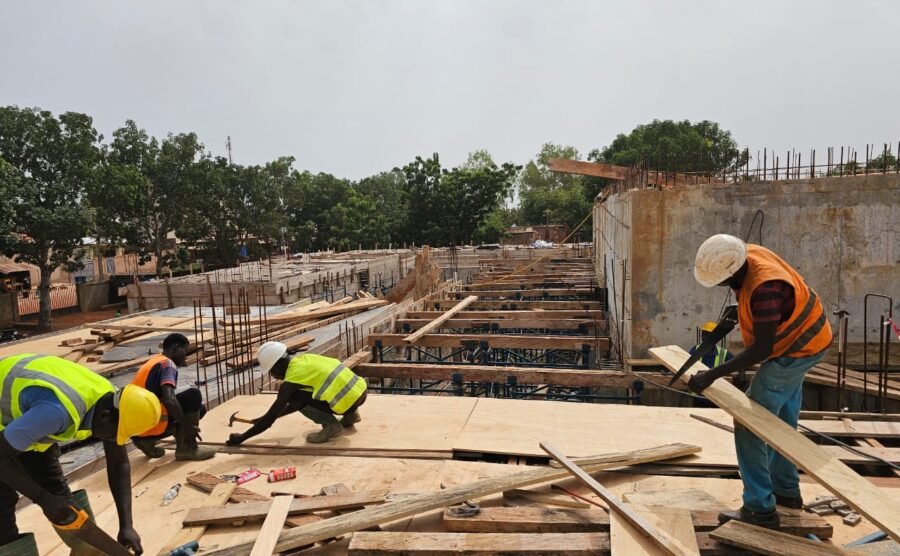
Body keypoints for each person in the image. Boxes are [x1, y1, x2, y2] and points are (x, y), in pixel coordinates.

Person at [689, 234, 832, 530]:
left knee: (750, 424)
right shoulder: (749, 254)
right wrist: (740, 309)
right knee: (780, 423)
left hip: (795, 349)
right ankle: (786, 492)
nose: (721, 286)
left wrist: (712, 375)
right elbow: (758, 298)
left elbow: (762, 350)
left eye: (723, 281)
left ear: (733, 270)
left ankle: (759, 508)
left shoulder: (765, 290)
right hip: (812, 338)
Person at [0, 354, 161, 554]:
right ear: (105, 416)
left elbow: (119, 463)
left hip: (24, 419)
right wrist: (42, 498)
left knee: (59, 497)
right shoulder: (56, 412)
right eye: (114, 434)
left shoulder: (114, 401)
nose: (114, 440)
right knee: (2, 504)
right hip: (18, 422)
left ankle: (88, 551)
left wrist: (126, 525)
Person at [226, 342, 367, 446]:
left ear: (278, 365)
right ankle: (351, 415)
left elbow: (273, 418)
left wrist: (242, 437)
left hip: (347, 402)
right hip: (361, 393)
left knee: (295, 397)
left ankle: (331, 426)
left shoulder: (290, 382)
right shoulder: (306, 359)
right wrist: (265, 417)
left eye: (272, 371)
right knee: (307, 394)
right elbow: (282, 412)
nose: (274, 376)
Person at [130, 333, 216, 461]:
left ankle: (146, 441)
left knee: (199, 409)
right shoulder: (167, 365)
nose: (185, 358)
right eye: (184, 352)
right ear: (176, 348)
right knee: (193, 395)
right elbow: (169, 400)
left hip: (136, 428)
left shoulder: (154, 361)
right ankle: (187, 448)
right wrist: (188, 427)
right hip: (152, 423)